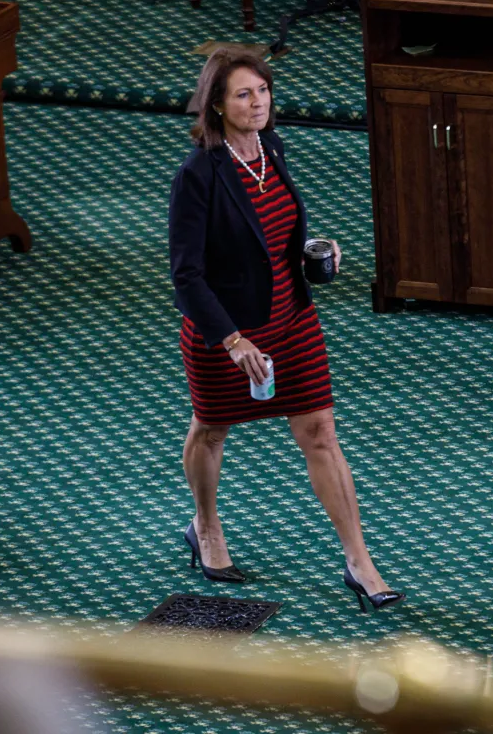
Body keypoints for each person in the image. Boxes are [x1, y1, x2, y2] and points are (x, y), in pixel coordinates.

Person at [168, 47, 403, 612]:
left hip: (291, 319)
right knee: (212, 431)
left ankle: (360, 562)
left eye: (263, 92)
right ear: (217, 105)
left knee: (321, 432)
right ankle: (205, 527)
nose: (257, 103)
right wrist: (232, 340)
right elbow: (186, 276)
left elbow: (270, 233)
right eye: (243, 95)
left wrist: (312, 251)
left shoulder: (270, 148)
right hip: (227, 334)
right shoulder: (198, 175)